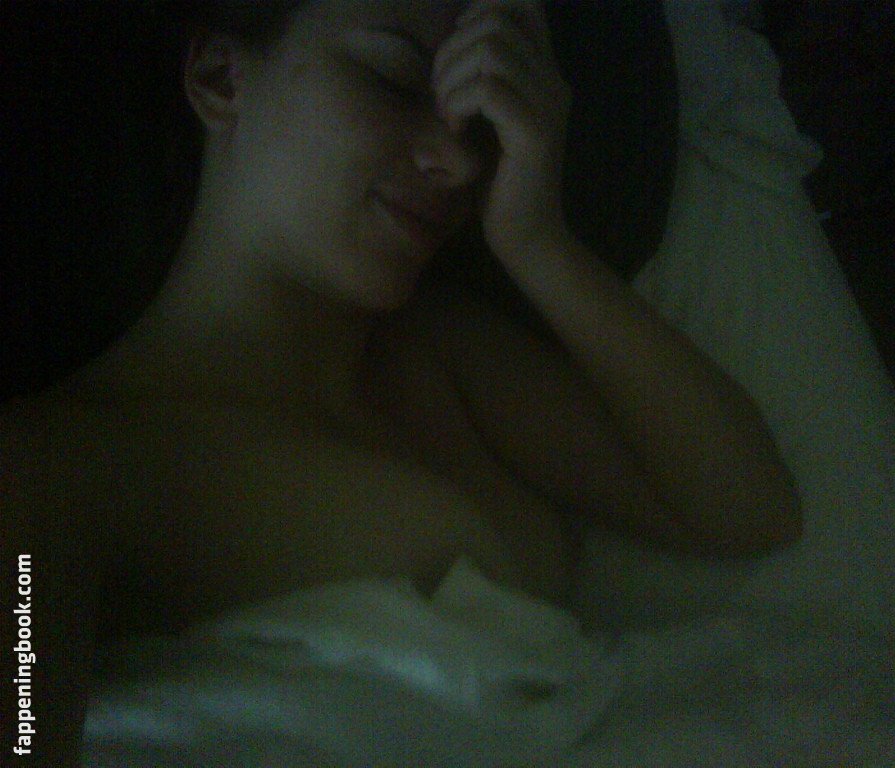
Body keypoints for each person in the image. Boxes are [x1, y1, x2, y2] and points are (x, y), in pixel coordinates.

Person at [1, 1, 802, 763]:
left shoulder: (445, 356)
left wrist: (537, 239)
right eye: (392, 79)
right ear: (220, 76)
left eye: (479, 123)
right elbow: (26, 722)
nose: (458, 163)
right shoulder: (56, 466)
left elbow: (747, 510)